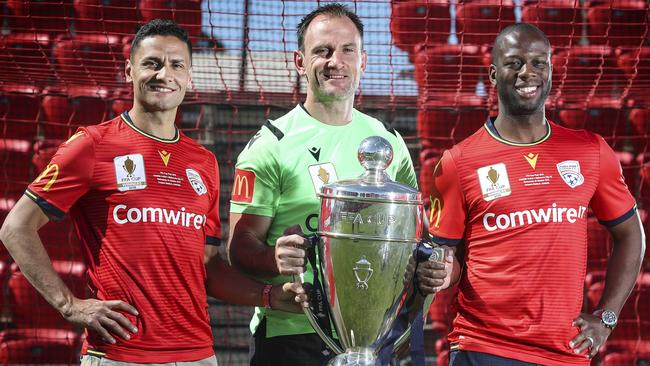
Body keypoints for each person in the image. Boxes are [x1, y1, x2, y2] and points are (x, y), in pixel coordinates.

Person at [0, 19, 305, 365]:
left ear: (189, 78)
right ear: (129, 71)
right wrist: (69, 305)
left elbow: (207, 267)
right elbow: (15, 228)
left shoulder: (203, 162)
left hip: (198, 357)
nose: (165, 74)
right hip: (119, 355)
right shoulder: (92, 144)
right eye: (152, 63)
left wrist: (268, 295)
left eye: (177, 65)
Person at [422, 23, 646, 365]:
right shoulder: (457, 162)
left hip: (566, 353)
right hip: (484, 348)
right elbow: (447, 258)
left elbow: (632, 234)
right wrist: (438, 271)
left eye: (539, 63)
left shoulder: (590, 151)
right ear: (494, 75)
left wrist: (607, 317)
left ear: (551, 71)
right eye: (514, 63)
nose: (528, 72)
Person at [225, 3, 424, 365]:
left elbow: (414, 241)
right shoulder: (272, 144)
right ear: (300, 62)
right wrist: (273, 257)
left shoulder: (389, 143)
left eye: (348, 50)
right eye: (323, 51)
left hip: (375, 333)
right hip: (294, 332)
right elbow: (238, 249)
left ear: (363, 60)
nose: (336, 61)